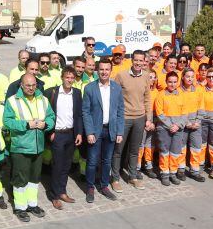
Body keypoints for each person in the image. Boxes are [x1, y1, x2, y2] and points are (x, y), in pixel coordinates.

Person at [3, 74, 55, 222]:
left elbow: (51, 116)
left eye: (33, 85)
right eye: (28, 85)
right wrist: (26, 124)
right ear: (21, 85)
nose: (31, 88)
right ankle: (20, 207)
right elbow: (7, 122)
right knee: (20, 179)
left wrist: (46, 125)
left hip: (38, 147)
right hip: (21, 147)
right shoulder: (13, 101)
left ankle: (32, 205)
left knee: (34, 179)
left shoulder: (43, 99)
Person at [82, 58, 125, 203]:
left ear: (111, 71)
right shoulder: (89, 88)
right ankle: (90, 187)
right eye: (101, 69)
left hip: (111, 130)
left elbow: (120, 111)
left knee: (107, 161)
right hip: (95, 131)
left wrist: (119, 131)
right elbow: (86, 112)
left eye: (107, 69)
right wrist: (89, 132)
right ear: (97, 70)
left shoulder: (117, 88)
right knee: (92, 161)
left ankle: (104, 186)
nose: (104, 72)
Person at [112, 50, 152, 191]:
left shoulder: (146, 76)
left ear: (144, 62)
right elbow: (114, 98)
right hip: (124, 118)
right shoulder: (121, 76)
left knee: (135, 150)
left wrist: (149, 118)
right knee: (118, 150)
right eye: (136, 60)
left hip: (140, 118)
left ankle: (133, 177)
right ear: (131, 60)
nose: (138, 63)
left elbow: (147, 98)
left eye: (141, 60)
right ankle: (115, 178)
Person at [45, 67, 84, 210]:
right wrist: (50, 132)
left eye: (72, 78)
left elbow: (79, 115)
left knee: (66, 165)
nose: (69, 80)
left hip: (71, 134)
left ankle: (62, 191)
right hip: (58, 134)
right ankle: (54, 195)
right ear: (62, 77)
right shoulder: (52, 92)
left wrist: (79, 133)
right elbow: (47, 114)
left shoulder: (77, 93)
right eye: (67, 77)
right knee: (57, 165)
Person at [154, 71, 188, 186]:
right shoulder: (161, 95)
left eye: (174, 82)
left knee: (175, 152)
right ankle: (165, 173)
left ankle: (173, 173)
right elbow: (160, 113)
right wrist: (170, 125)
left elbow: (185, 113)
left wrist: (177, 125)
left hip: (178, 129)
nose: (172, 84)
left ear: (178, 82)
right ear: (166, 82)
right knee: (164, 152)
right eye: (170, 82)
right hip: (164, 128)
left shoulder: (182, 95)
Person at [178, 68, 205, 182]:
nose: (190, 78)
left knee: (196, 148)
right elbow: (176, 110)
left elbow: (201, 108)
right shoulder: (178, 91)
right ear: (183, 77)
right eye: (187, 76)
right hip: (183, 125)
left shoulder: (198, 90)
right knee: (181, 148)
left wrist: (197, 122)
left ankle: (195, 171)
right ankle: (180, 169)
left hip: (195, 125)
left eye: (192, 76)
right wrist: (186, 123)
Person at [138, 69, 159, 178]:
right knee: (140, 144)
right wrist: (146, 121)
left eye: (153, 77)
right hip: (143, 120)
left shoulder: (158, 93)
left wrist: (153, 122)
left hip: (154, 121)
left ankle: (148, 165)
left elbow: (159, 110)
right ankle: (137, 166)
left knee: (150, 144)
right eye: (149, 77)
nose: (151, 79)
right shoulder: (142, 91)